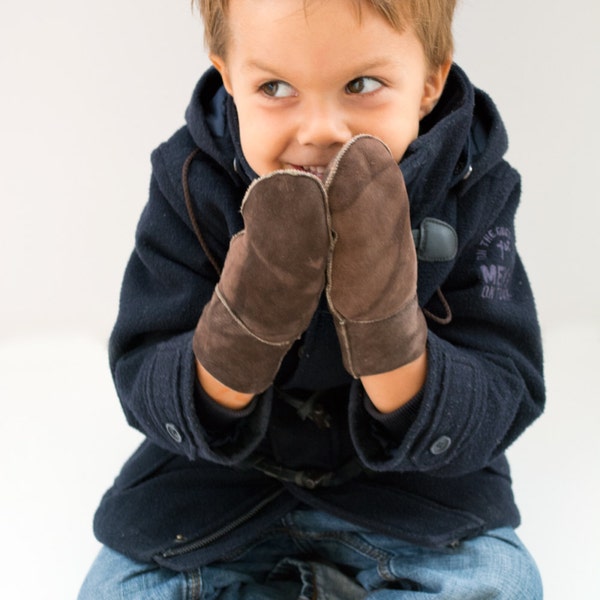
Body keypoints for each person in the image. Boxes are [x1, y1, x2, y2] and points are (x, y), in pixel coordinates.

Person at [78, 0, 545, 597]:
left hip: (416, 503)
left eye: (363, 84)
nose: (322, 129)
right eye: (274, 86)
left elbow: (507, 383)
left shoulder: (474, 186)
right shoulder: (188, 179)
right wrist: (241, 337)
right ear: (228, 79)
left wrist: (387, 335)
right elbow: (140, 370)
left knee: (503, 583)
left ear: (429, 82)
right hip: (210, 501)